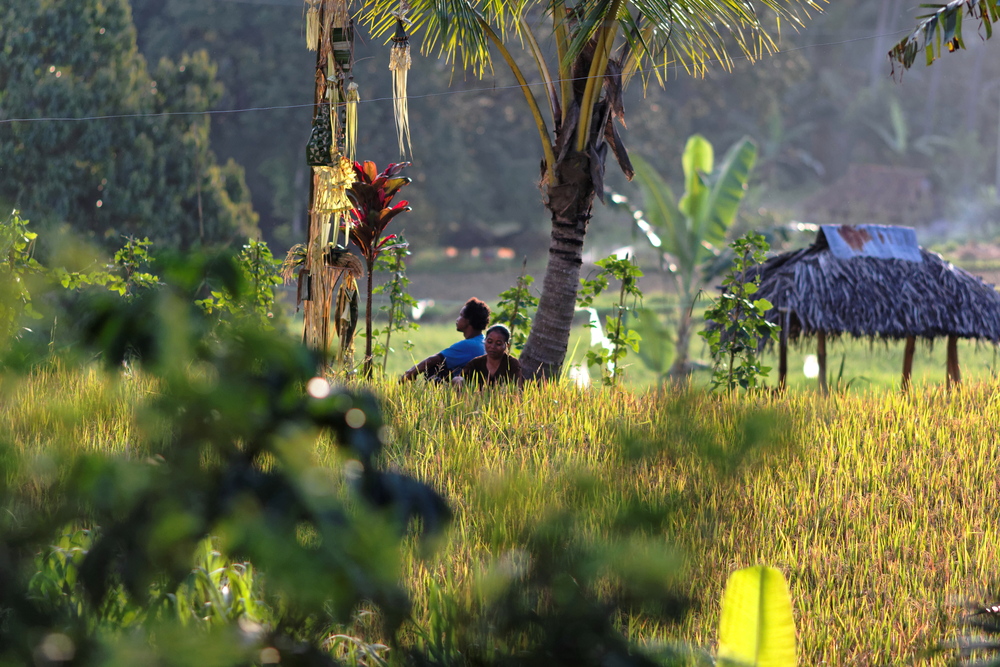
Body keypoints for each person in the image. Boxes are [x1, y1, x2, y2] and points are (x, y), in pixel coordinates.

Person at [402, 298, 491, 381]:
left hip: (468, 390)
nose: (457, 319)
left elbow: (433, 360)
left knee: (434, 368)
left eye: (461, 316)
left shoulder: (469, 345)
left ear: (469, 320)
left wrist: (411, 372)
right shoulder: (482, 341)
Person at [453, 324, 522, 389]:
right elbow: (460, 379)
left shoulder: (512, 364)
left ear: (507, 345)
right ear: (485, 341)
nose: (492, 347)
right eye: (489, 342)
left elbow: (518, 389)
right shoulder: (476, 363)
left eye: (498, 344)